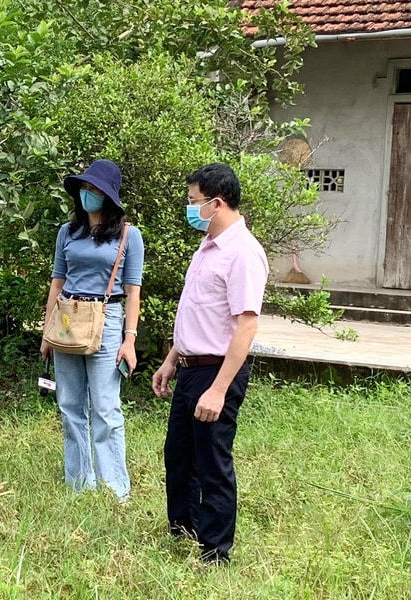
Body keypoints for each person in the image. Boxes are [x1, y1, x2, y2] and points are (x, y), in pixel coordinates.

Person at [151, 162, 269, 564]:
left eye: (193, 202)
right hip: (189, 366)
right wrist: (171, 359)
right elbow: (194, 313)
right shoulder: (207, 246)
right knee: (179, 454)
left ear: (216, 204)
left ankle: (216, 550)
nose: (190, 209)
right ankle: (183, 528)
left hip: (216, 371)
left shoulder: (243, 253)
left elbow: (246, 326)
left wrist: (218, 389)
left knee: (213, 460)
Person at [39, 159, 144, 501]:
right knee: (69, 404)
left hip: (108, 318)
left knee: (104, 407)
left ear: (110, 196)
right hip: (68, 317)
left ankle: (115, 488)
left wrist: (130, 340)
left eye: (95, 189)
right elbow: (57, 281)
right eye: (84, 188)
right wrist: (47, 331)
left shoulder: (129, 235)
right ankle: (78, 481)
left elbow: (133, 291)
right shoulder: (67, 232)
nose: (88, 194)